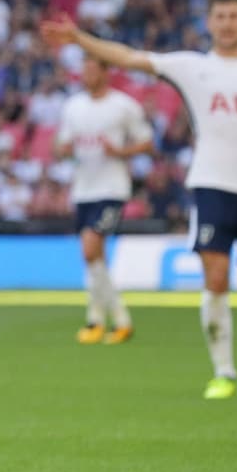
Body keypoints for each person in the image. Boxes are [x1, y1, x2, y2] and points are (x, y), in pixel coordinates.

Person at [42, 0, 237, 400]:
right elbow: (130, 58)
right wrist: (78, 37)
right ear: (209, 22)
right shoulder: (191, 66)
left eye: (235, 16)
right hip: (214, 182)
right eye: (221, 16)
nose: (228, 23)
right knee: (215, 279)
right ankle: (224, 371)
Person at [55, 56, 153, 344]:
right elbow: (62, 147)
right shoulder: (73, 106)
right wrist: (65, 149)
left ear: (105, 73)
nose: (87, 75)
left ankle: (122, 319)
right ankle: (95, 320)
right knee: (95, 258)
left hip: (112, 189)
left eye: (92, 69)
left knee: (90, 247)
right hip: (83, 188)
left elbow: (146, 142)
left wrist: (121, 152)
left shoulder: (123, 106)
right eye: (84, 70)